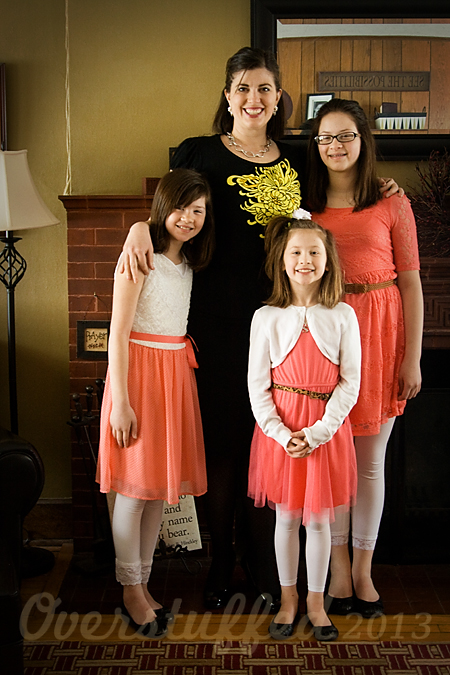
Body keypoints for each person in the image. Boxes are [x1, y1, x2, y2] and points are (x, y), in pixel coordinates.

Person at [118, 47, 401, 611]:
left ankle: (265, 564)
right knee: (224, 445)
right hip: (216, 322)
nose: (254, 98)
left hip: (282, 320)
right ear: (228, 96)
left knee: (270, 441)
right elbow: (170, 211)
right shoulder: (198, 151)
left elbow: (341, 186)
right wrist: (136, 229)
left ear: (278, 99)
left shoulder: (296, 158)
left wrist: (383, 186)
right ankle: (221, 563)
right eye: (243, 87)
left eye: (265, 88)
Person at [307, 98, 423, 619]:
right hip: (326, 337)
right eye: (326, 137)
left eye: (345, 136)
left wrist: (412, 358)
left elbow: (412, 284)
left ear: (363, 141)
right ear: (316, 145)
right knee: (332, 461)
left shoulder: (393, 203)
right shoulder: (304, 205)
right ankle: (336, 569)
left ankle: (362, 570)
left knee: (371, 463)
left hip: (381, 336)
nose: (335, 146)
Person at [96, 169, 215, 636]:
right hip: (139, 378)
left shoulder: (187, 266)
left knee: (155, 495)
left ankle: (142, 582)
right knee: (131, 492)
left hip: (174, 376)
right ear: (164, 207)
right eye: (182, 207)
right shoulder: (138, 259)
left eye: (198, 210)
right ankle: (129, 588)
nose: (188, 218)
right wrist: (120, 403)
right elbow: (117, 333)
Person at [247, 212, 361, 641]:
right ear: (282, 260)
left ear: (328, 261)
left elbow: (350, 382)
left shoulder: (343, 315)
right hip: (281, 435)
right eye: (296, 252)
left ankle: (316, 602)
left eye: (314, 252)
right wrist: (282, 435)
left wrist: (318, 433)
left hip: (324, 433)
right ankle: (288, 598)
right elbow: (257, 387)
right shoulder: (266, 317)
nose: (305, 260)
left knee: (318, 522)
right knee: (287, 519)